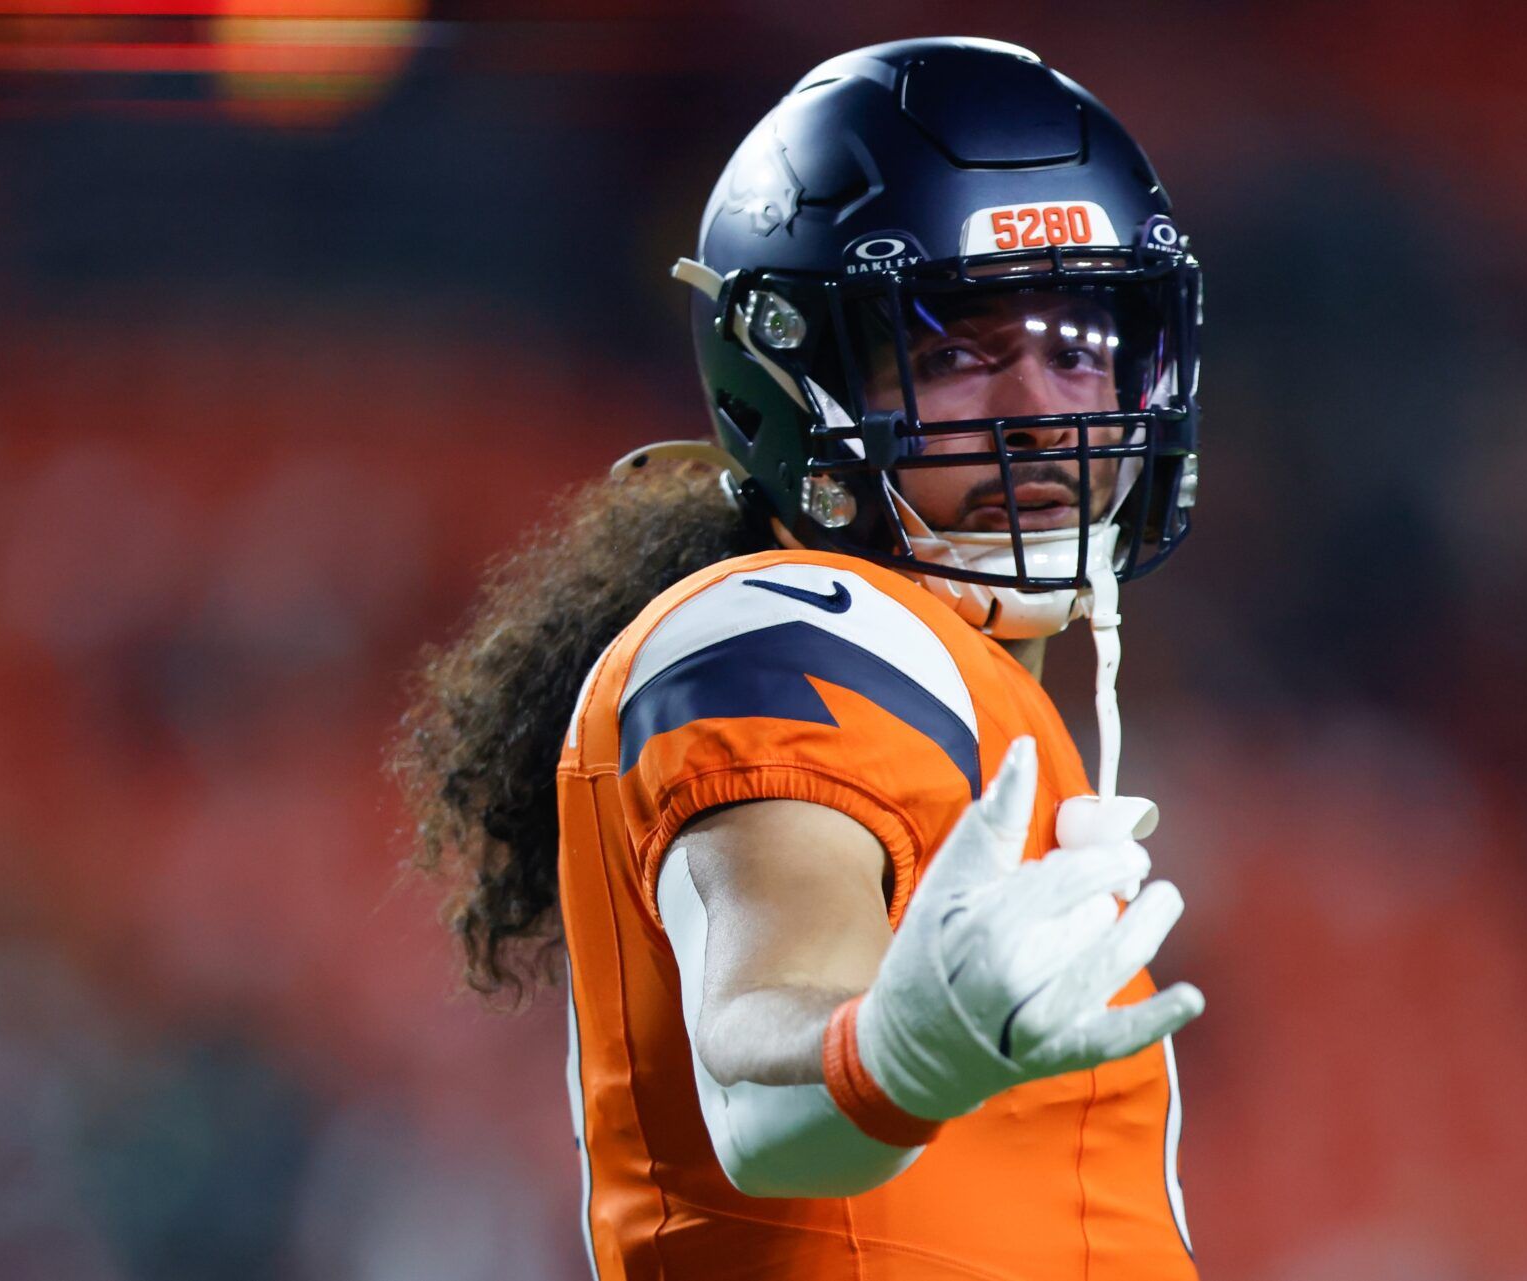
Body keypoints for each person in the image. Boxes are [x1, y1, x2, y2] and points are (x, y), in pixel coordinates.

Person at [396, 36, 1206, 1279]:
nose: (1042, 408)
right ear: (794, 373)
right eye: (956, 353)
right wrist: (889, 1051)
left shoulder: (960, 677)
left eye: (1081, 343)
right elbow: (763, 1071)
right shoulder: (790, 627)